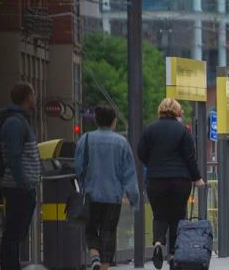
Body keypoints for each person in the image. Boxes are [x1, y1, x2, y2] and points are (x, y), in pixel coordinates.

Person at [138, 98, 205, 269]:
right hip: (179, 180)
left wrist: (153, 164)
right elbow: (190, 158)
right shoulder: (183, 131)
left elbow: (141, 153)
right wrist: (196, 178)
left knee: (159, 215)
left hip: (156, 180)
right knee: (177, 217)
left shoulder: (150, 130)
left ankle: (158, 244)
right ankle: (174, 254)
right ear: (178, 111)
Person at [76, 106, 140, 270]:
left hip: (91, 194)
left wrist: (83, 185)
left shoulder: (86, 139)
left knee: (90, 229)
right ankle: (104, 266)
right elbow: (129, 174)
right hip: (113, 196)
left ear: (96, 120)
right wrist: (134, 199)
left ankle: (94, 256)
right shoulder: (122, 143)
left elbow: (79, 167)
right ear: (114, 121)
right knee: (109, 231)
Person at [0, 82, 41, 270]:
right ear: (28, 97)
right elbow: (14, 157)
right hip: (18, 188)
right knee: (13, 234)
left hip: (21, 186)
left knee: (16, 233)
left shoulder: (20, 120)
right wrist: (24, 183)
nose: (36, 98)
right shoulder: (15, 122)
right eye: (34, 94)